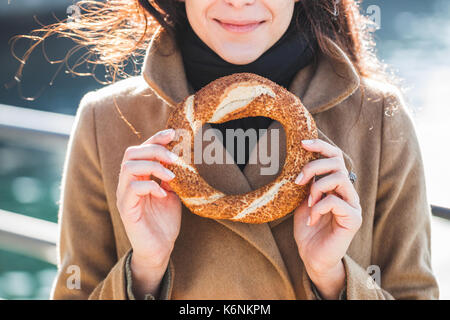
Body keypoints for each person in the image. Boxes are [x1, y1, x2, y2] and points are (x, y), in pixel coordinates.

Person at [26, 0, 438, 299]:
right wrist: (144, 271)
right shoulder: (106, 120)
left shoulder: (381, 119)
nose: (239, 1)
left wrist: (334, 278)